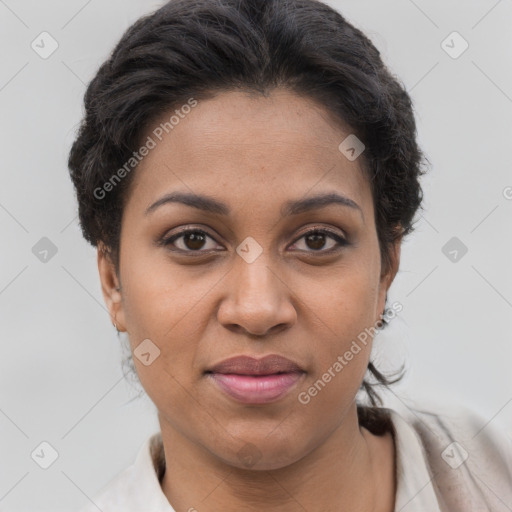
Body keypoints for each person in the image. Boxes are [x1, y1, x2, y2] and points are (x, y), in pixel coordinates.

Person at [67, 0, 512, 510]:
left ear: (386, 266)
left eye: (317, 240)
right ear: (112, 280)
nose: (257, 310)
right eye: (192, 240)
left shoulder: (491, 477)